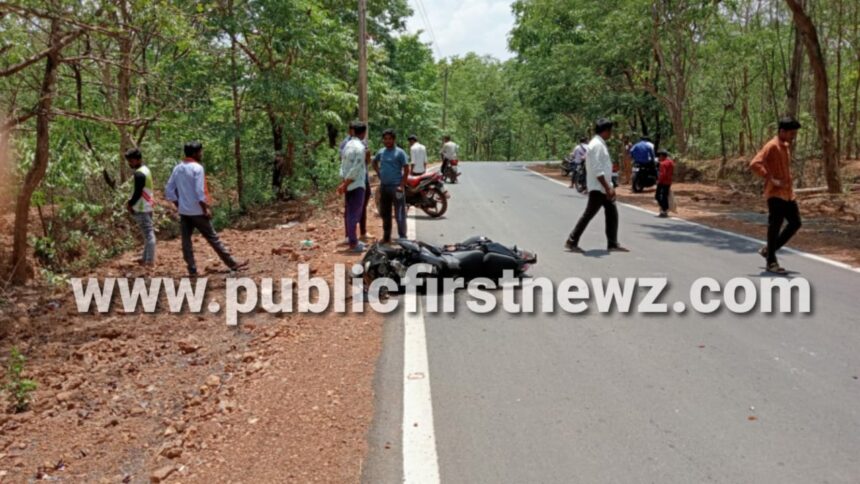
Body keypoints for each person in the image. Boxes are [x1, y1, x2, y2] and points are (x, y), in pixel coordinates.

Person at [165, 141, 248, 276]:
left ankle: (192, 269)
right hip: (197, 211)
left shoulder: (178, 168)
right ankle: (232, 263)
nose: (201, 154)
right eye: (200, 152)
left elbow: (169, 189)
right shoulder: (197, 168)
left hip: (184, 211)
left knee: (186, 241)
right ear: (195, 153)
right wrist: (205, 209)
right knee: (212, 237)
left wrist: (178, 204)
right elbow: (199, 191)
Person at [565, 118, 629, 253]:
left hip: (603, 187)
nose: (611, 134)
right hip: (599, 188)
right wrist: (607, 187)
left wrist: (609, 186)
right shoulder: (596, 145)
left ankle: (612, 243)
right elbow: (597, 168)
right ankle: (572, 240)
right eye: (610, 131)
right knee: (588, 214)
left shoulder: (599, 144)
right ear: (606, 131)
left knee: (612, 213)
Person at [750, 116, 803, 274]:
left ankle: (768, 250)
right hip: (775, 193)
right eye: (791, 133)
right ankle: (771, 261)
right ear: (782, 131)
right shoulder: (771, 146)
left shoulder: (785, 145)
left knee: (795, 222)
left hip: (788, 194)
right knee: (775, 226)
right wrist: (770, 178)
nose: (793, 136)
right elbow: (754, 163)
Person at [373, 129, 410, 243]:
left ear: (394, 139)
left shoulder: (400, 152)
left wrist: (402, 185)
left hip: (396, 188)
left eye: (390, 139)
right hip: (384, 187)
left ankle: (402, 237)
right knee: (385, 213)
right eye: (385, 139)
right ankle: (386, 236)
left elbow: (406, 168)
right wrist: (379, 173)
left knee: (399, 213)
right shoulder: (381, 152)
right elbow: (374, 162)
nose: (387, 141)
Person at [338, 122, 368, 252]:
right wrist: (346, 183)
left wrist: (344, 182)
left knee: (350, 212)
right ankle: (353, 243)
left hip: (348, 183)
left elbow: (342, 165)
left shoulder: (346, 145)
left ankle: (352, 239)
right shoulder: (360, 147)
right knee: (354, 214)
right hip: (356, 184)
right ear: (363, 133)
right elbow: (356, 168)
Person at [125, 148, 156, 266]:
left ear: (138, 160)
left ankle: (149, 261)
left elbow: (138, 192)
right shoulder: (146, 170)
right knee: (147, 235)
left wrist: (130, 204)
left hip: (141, 207)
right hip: (147, 205)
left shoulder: (139, 174)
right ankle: (145, 258)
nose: (129, 163)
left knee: (149, 235)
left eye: (131, 161)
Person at [655, 149, 675, 218]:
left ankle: (664, 209)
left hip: (662, 182)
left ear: (662, 156)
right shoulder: (671, 162)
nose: (659, 158)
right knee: (665, 196)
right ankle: (665, 210)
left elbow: (662, 174)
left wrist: (658, 181)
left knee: (657, 196)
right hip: (668, 182)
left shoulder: (663, 164)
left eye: (659, 156)